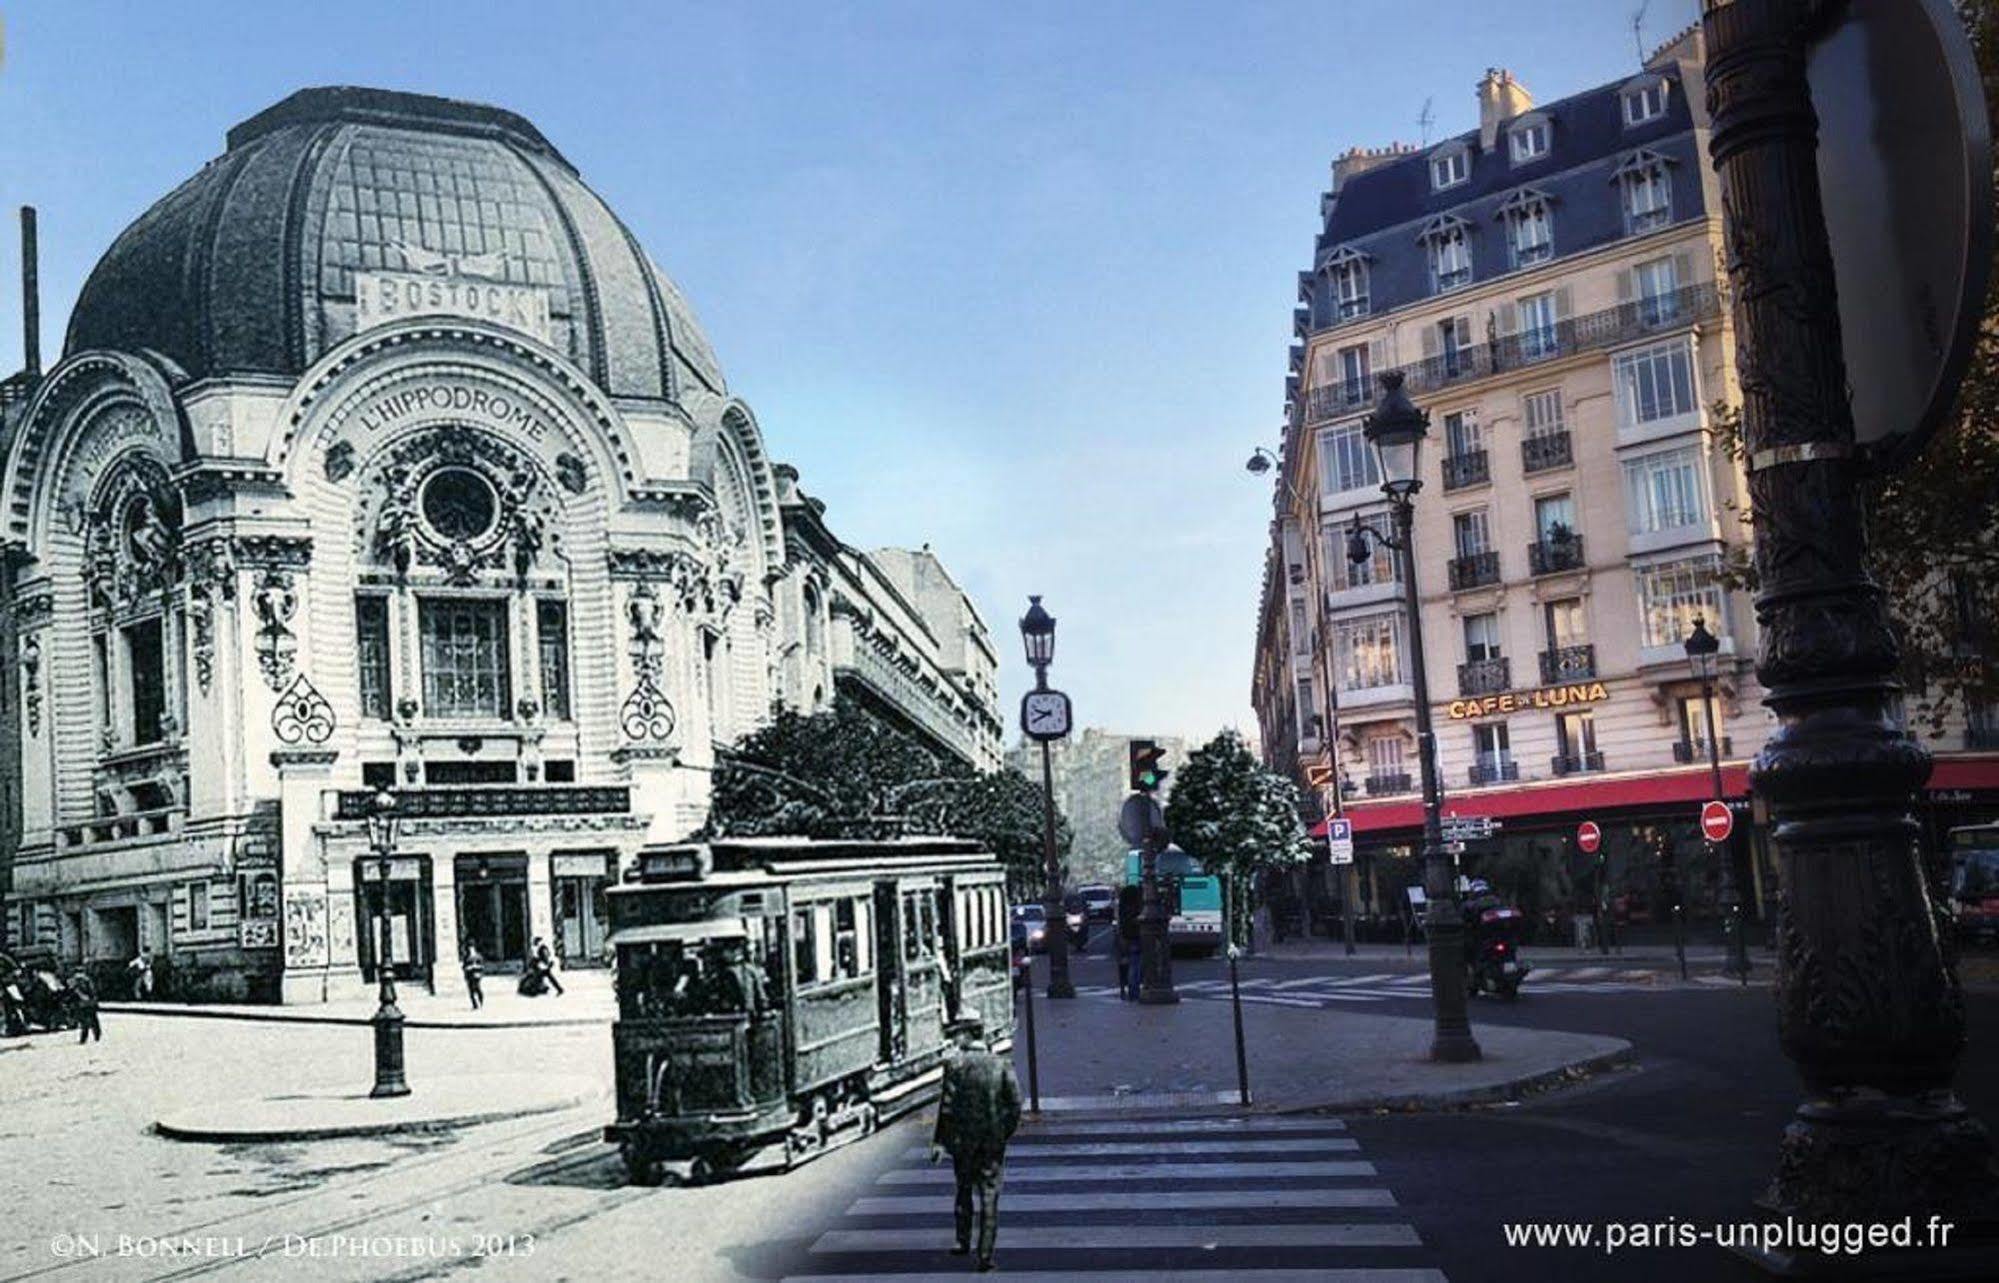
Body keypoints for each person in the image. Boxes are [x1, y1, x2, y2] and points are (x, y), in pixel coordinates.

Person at [929, 1014, 1021, 1271]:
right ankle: (985, 1254)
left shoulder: (955, 1065)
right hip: (992, 1141)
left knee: (963, 1190)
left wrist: (940, 1142)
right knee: (990, 1197)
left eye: (958, 1033)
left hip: (963, 1141)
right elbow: (1014, 1105)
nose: (955, 1038)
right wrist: (1003, 1132)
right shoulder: (1001, 1064)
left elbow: (946, 1108)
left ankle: (962, 1240)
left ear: (968, 1035)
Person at [1116, 883, 1144, 1001]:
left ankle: (1126, 989)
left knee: (1127, 964)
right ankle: (1134, 991)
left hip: (1125, 938)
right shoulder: (1135, 909)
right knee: (1135, 965)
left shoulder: (1123, 909)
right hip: (1135, 937)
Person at [67, 970, 101, 1044]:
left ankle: (84, 1038)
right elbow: (94, 992)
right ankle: (96, 1035)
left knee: (85, 1023)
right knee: (93, 1021)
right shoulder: (87, 980)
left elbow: (71, 994)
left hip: (83, 1004)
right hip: (88, 1004)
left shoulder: (76, 982)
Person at [461, 942, 484, 1011]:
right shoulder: (466, 957)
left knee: (477, 989)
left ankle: (480, 1002)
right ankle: (475, 1005)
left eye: (472, 948)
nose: (471, 950)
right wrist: (468, 968)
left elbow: (482, 966)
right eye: (469, 948)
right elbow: (463, 967)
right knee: (471, 991)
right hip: (469, 976)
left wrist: (476, 966)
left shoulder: (478, 956)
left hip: (476, 975)